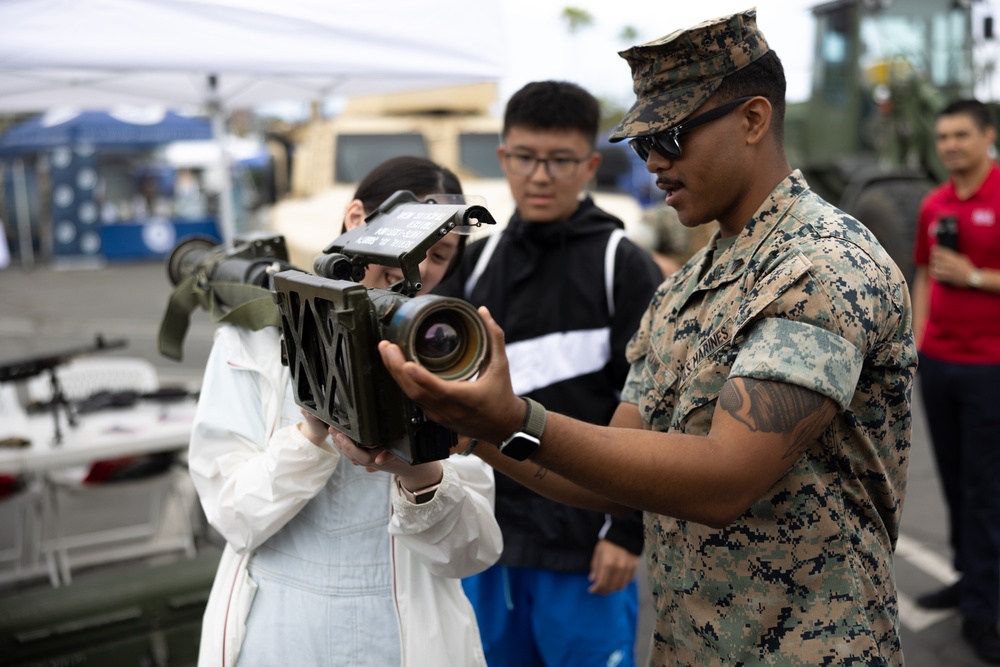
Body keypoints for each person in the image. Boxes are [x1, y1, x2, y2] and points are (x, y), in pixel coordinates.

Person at [379, 9, 916, 666]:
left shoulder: (821, 266)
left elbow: (724, 479)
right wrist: (472, 428)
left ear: (753, 120)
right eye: (641, 144)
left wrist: (513, 417)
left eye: (673, 136)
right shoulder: (688, 285)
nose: (655, 161)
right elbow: (618, 469)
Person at [188, 155, 503, 667]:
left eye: (441, 252)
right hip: (280, 632)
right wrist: (310, 432)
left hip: (405, 640)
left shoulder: (443, 347)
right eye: (409, 239)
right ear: (356, 218)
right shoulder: (254, 337)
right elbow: (232, 515)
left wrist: (420, 475)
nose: (419, 266)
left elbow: (471, 554)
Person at [431, 80, 663, 667]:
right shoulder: (474, 262)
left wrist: (626, 533)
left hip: (585, 551)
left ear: (588, 165)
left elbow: (655, 413)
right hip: (489, 546)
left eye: (560, 160)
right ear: (504, 158)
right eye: (526, 158)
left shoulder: (622, 266)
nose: (540, 175)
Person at [911, 99, 1000, 663]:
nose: (950, 145)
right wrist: (918, 341)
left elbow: (961, 274)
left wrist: (975, 276)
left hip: (990, 365)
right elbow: (921, 271)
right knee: (950, 480)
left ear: (987, 136)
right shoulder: (932, 203)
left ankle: (983, 609)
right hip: (939, 364)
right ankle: (968, 577)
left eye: (962, 135)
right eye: (943, 136)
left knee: (985, 490)